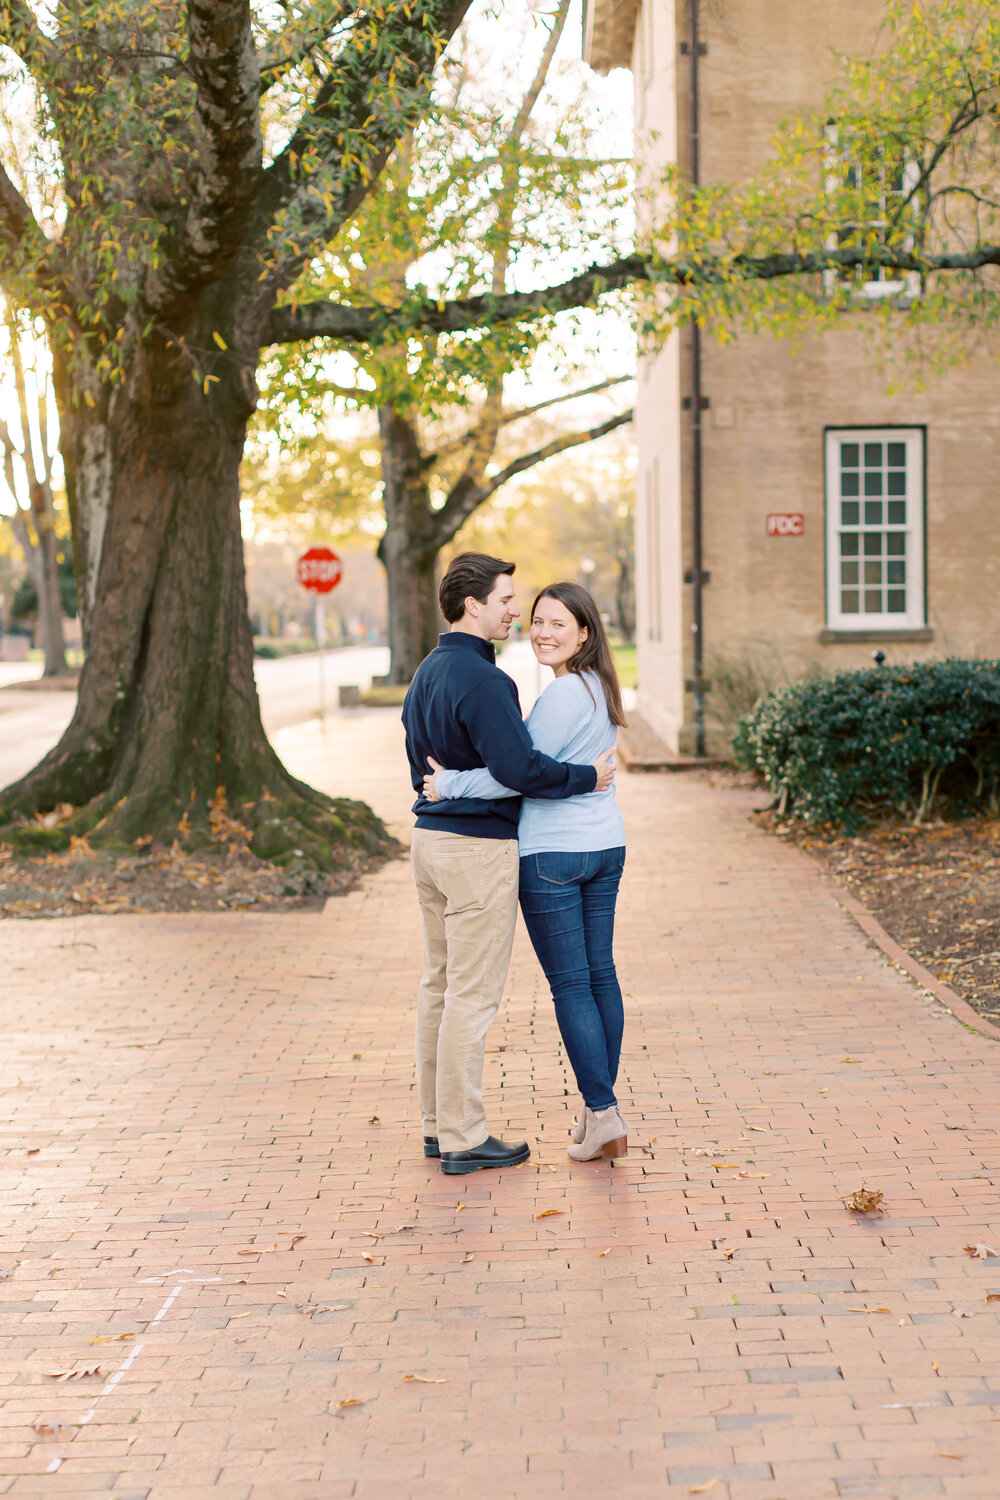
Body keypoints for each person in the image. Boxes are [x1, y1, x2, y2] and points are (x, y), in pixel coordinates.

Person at [402, 554, 615, 1177]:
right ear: (474, 606)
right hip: (475, 853)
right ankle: (465, 1137)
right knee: (470, 995)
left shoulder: (426, 672)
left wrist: (445, 792)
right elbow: (520, 770)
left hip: (431, 845)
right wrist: (587, 775)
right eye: (506, 600)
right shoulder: (488, 682)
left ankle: (438, 1127)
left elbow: (423, 766)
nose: (514, 611)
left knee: (438, 989)